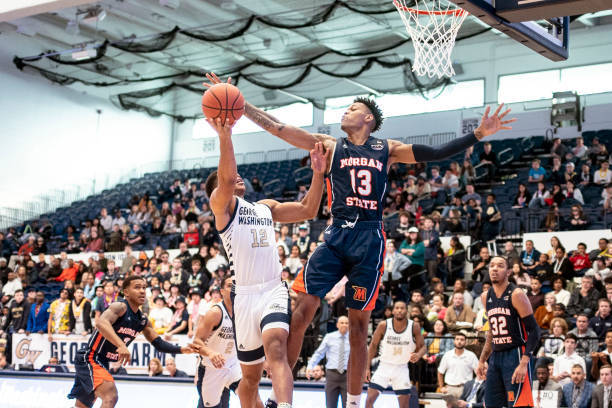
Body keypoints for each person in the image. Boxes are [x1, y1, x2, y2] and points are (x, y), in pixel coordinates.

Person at [206, 71, 515, 408]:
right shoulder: (328, 144)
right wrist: (239, 102)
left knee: (358, 328)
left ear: (367, 118)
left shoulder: (388, 149)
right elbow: (279, 129)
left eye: (351, 108)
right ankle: (281, 398)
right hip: (337, 232)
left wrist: (478, 134)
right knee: (301, 310)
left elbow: (436, 153)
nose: (345, 112)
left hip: (369, 237)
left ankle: (353, 404)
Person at [203, 115, 329, 408]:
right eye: (229, 178)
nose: (237, 177)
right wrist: (225, 137)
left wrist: (318, 173)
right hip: (245, 297)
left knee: (275, 347)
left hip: (273, 288)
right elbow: (224, 178)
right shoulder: (223, 209)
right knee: (249, 378)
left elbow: (309, 209)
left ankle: (283, 405)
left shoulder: (265, 208)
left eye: (238, 175)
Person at [67, 276, 195, 408]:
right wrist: (121, 345)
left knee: (82, 406)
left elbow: (158, 343)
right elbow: (101, 323)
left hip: (102, 361)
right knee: (110, 396)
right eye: (137, 287)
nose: (142, 291)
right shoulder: (120, 307)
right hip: (89, 357)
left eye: (144, 288)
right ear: (126, 292)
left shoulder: (143, 320)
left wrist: (181, 349)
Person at [477, 255, 542, 408]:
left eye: (500, 266)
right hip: (495, 357)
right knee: (491, 404)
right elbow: (492, 332)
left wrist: (524, 362)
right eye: (492, 265)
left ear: (508, 272)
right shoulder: (485, 296)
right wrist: (481, 360)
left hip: (516, 355)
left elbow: (534, 331)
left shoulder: (516, 294)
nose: (494, 269)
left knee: (519, 404)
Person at [192, 275, 245, 408]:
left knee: (252, 398)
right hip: (211, 369)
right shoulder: (215, 312)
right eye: (229, 285)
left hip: (233, 366)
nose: (233, 288)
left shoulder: (243, 311)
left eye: (236, 285)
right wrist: (210, 353)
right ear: (221, 291)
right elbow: (196, 341)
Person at [365, 301, 425, 408]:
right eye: (397, 308)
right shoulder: (383, 325)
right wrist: (367, 368)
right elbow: (373, 346)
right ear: (392, 311)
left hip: (401, 368)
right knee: (369, 401)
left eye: (402, 308)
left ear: (406, 311)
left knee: (404, 406)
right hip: (384, 366)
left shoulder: (414, 326)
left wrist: (418, 355)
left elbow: (423, 347)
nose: (399, 310)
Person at [306, 316, 350, 408]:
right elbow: (319, 353)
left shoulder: (353, 339)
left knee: (348, 405)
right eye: (342, 323)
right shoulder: (329, 337)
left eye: (346, 323)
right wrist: (310, 366)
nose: (344, 325)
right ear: (337, 325)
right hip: (332, 375)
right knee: (330, 405)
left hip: (348, 376)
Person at [438, 332, 479, 398]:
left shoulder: (471, 355)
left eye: (462, 340)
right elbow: (440, 372)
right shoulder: (447, 355)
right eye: (457, 339)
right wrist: (441, 387)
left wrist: (475, 387)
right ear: (454, 341)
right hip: (450, 388)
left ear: (465, 342)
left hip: (466, 388)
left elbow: (478, 373)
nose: (459, 341)